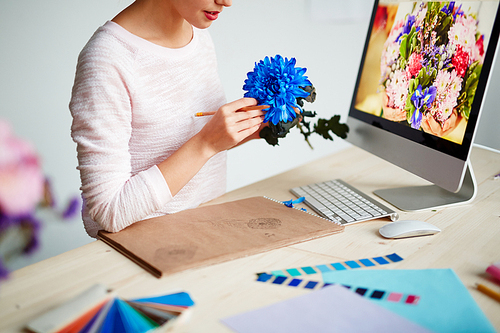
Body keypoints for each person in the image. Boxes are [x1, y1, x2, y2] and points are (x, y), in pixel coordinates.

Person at [69, 0, 266, 238]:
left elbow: (185, 151)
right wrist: (206, 143)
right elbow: (109, 212)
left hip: (211, 230)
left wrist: (246, 129)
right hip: (143, 250)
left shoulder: (198, 34)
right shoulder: (107, 60)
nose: (227, 2)